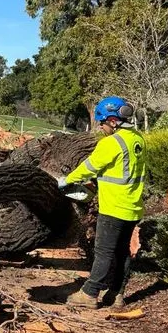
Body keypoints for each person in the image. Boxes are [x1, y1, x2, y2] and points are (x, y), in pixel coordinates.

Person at [57, 96, 147, 309]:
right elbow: (122, 170)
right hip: (133, 206)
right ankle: (116, 294)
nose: (100, 126)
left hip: (114, 207)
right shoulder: (137, 139)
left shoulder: (111, 143)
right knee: (122, 251)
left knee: (104, 252)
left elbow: (90, 166)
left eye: (102, 122)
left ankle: (89, 293)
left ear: (113, 121)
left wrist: (67, 180)